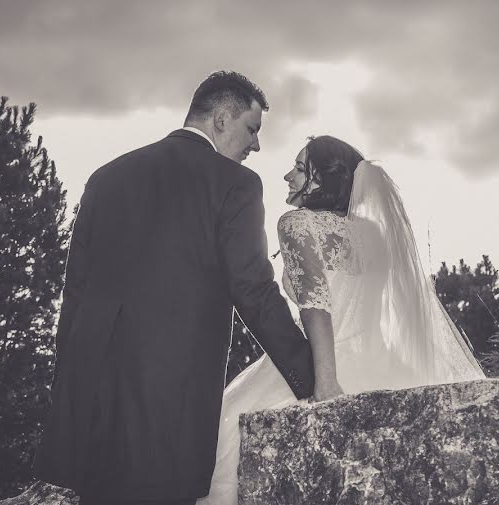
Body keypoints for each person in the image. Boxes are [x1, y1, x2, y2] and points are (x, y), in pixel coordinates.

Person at [33, 71, 315, 505]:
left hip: (90, 405)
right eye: (252, 129)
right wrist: (309, 374)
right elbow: (253, 289)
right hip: (169, 407)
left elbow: (74, 297)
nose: (255, 146)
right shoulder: (236, 184)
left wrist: (67, 400)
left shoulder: (106, 176)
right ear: (222, 118)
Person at [199, 135, 485, 505]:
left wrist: (327, 385)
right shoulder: (377, 235)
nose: (287, 176)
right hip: (385, 364)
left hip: (322, 366)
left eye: (300, 169)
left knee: (220, 444)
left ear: (324, 180)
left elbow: (316, 305)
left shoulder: (299, 224)